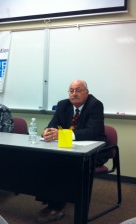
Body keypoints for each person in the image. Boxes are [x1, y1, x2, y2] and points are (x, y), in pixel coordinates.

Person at [37, 80, 107, 224]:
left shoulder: (95, 105)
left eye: (78, 90)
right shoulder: (63, 105)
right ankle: (52, 199)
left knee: (65, 165)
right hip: (67, 149)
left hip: (94, 151)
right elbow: (52, 124)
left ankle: (57, 205)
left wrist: (62, 135)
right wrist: (47, 131)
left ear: (86, 92)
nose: (74, 94)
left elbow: (92, 132)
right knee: (44, 160)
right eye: (71, 90)